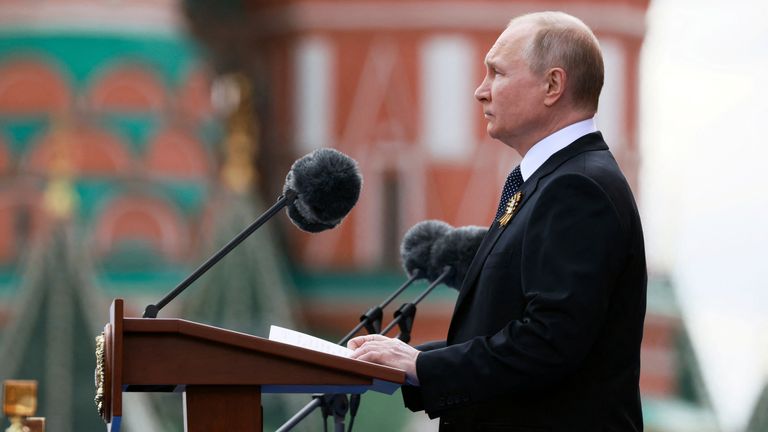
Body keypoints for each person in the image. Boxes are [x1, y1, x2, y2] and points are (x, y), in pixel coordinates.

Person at [349, 11, 647, 432]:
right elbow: (510, 330)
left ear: (553, 86)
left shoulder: (578, 188)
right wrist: (407, 362)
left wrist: (422, 365)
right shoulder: (552, 180)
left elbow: (548, 343)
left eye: (497, 73)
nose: (479, 91)